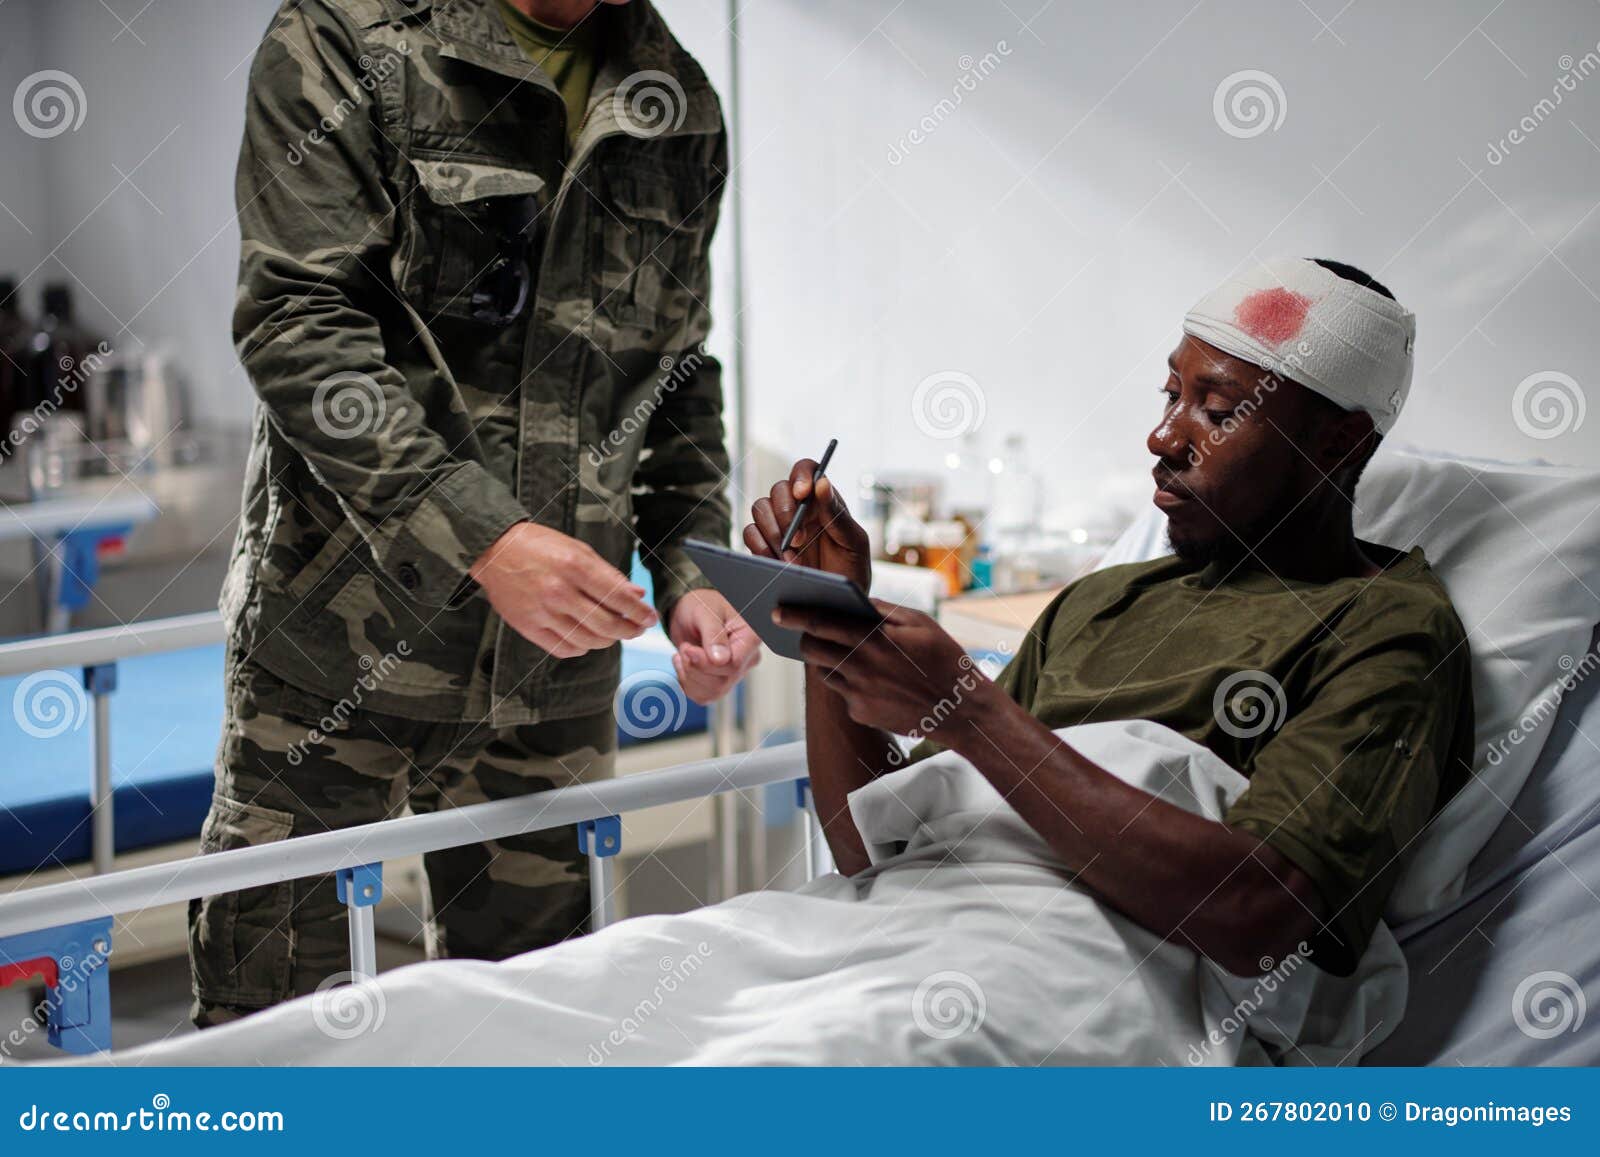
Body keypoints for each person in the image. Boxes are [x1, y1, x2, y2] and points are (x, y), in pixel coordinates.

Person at [192, 0, 757, 1026]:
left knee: (543, 1035)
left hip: (553, 669)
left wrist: (695, 574)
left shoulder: (674, 104)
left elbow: (672, 378)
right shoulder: (345, 38)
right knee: (272, 1041)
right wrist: (480, 535)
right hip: (337, 643)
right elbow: (296, 323)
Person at [748, 257, 1474, 978]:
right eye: (1170, 396)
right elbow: (873, 850)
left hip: (1066, 985)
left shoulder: (1387, 626)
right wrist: (827, 616)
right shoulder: (1103, 602)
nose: (1163, 439)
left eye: (1219, 413)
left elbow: (1264, 912)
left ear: (1337, 443)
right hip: (907, 941)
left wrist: (976, 715)